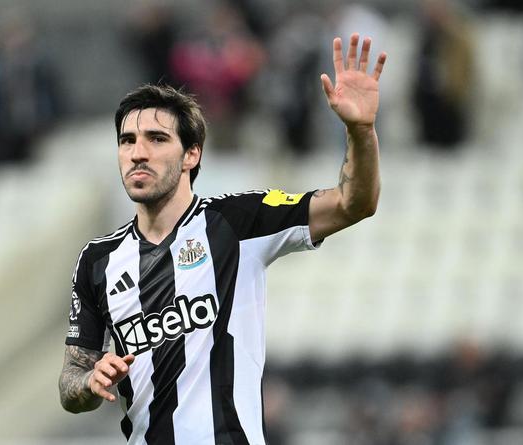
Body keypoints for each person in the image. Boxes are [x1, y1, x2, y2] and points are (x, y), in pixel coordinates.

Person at [58, 33, 386, 444]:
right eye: (127, 141)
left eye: (157, 139)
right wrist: (90, 381)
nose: (138, 152)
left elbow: (354, 204)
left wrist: (360, 131)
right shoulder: (98, 261)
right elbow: (70, 383)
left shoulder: (235, 221)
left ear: (191, 154)